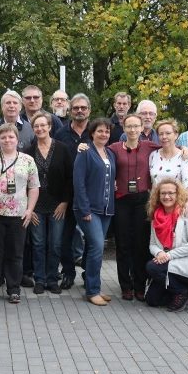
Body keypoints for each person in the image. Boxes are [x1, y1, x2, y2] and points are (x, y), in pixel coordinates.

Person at [0, 123, 40, 304]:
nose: (7, 140)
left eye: (11, 137)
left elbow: (34, 187)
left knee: (16, 253)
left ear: (17, 140)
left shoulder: (27, 160)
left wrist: (29, 210)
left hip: (18, 214)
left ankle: (13, 289)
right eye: (3, 137)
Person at [107, 114, 161, 301]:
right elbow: (96, 152)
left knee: (141, 244)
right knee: (123, 245)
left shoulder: (149, 146)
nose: (132, 130)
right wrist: (82, 147)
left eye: (136, 126)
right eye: (129, 126)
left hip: (142, 200)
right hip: (121, 200)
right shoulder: (113, 148)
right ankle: (125, 286)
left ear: (141, 127)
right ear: (123, 128)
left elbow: (170, 147)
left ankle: (139, 285)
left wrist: (184, 149)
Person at [26, 112, 72, 294]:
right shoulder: (28, 151)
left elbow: (70, 178)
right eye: (36, 126)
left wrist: (65, 202)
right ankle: (39, 279)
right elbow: (24, 181)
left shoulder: (62, 148)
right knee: (37, 244)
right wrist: (29, 208)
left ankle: (52, 279)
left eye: (43, 125)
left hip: (57, 204)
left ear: (50, 127)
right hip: (36, 204)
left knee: (55, 243)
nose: (40, 129)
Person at [145, 178, 188, 312]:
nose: (166, 196)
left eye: (171, 193)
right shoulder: (156, 215)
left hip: (187, 261)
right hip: (168, 261)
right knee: (152, 300)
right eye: (163, 193)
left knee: (152, 267)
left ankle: (182, 291)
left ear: (178, 194)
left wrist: (168, 255)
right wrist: (159, 253)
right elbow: (152, 244)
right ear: (158, 195)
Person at [73, 118, 116, 306]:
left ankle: (94, 285)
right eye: (100, 131)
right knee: (98, 247)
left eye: (107, 131)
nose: (104, 134)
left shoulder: (110, 153)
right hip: (88, 209)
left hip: (106, 209)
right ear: (92, 133)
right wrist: (85, 209)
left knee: (93, 248)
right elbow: (78, 182)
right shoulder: (85, 152)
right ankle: (92, 291)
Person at [54, 93, 93, 290]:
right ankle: (68, 272)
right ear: (70, 110)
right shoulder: (60, 134)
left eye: (83, 108)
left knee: (92, 237)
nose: (79, 111)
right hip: (66, 195)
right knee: (65, 238)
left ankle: (88, 272)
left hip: (90, 195)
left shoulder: (96, 133)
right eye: (76, 107)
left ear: (89, 110)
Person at [149, 119, 188, 212]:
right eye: (161, 134)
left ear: (176, 135)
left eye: (168, 133)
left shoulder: (183, 155)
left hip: (177, 205)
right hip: (157, 205)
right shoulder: (153, 155)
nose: (164, 136)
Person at [0, 90, 35, 156]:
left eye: (15, 103)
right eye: (8, 103)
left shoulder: (31, 129)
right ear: (2, 107)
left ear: (20, 107)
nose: (11, 106)